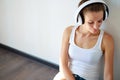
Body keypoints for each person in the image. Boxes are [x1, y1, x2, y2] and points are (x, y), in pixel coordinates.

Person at [53, 0, 114, 80]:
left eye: (99, 21)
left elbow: (108, 75)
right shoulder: (68, 31)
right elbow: (63, 64)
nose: (96, 26)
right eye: (91, 22)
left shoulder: (107, 40)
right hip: (67, 76)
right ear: (81, 18)